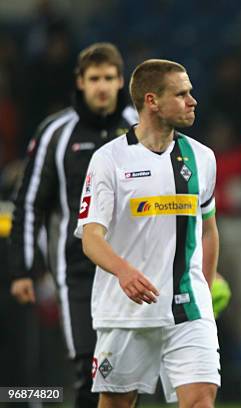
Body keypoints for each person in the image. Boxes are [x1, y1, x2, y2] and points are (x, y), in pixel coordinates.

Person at [75, 59, 220, 407]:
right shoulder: (109, 160)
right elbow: (91, 237)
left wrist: (205, 296)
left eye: (191, 92)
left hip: (189, 311)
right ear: (152, 101)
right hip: (126, 311)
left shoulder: (201, 157)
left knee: (201, 399)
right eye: (181, 93)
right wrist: (123, 272)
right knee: (117, 403)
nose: (192, 100)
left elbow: (209, 232)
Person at [9, 42, 137, 407]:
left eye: (109, 78)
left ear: (120, 81)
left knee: (127, 372)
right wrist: (23, 270)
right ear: (80, 82)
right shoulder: (56, 133)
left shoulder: (139, 127)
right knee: (89, 366)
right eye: (94, 78)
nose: (101, 86)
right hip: (76, 268)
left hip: (128, 267)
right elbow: (29, 203)